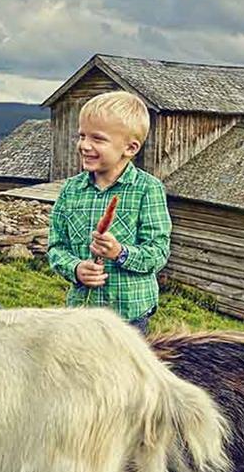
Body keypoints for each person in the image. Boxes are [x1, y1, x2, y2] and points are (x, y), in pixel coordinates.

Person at [45, 90, 171, 335]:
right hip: (83, 314)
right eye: (81, 135)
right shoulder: (71, 190)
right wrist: (76, 269)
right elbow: (56, 247)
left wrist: (120, 253)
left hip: (130, 317)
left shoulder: (148, 190)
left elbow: (158, 252)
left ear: (130, 147)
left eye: (97, 139)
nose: (84, 145)